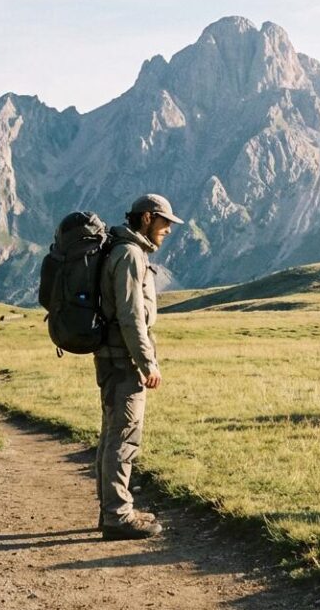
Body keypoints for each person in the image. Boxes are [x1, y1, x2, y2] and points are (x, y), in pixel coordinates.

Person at [94, 194, 184, 540]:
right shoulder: (130, 255)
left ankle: (112, 509)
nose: (168, 230)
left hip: (112, 357)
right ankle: (117, 516)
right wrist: (147, 363)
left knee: (112, 433)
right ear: (147, 218)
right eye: (165, 223)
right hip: (124, 360)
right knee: (124, 437)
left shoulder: (122, 249)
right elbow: (132, 317)